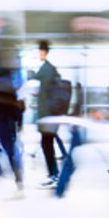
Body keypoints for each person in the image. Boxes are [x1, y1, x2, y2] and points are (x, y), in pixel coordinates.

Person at [32, 40, 69, 187]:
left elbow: (38, 81)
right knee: (47, 144)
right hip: (50, 114)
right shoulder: (51, 69)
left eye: (38, 51)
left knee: (47, 144)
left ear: (43, 52)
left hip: (47, 115)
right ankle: (54, 174)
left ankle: (54, 175)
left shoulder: (46, 69)